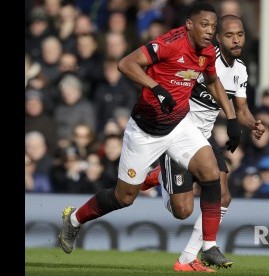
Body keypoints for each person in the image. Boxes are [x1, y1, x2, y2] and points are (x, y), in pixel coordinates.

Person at [58, 2, 242, 271]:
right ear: (189, 24)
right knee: (124, 197)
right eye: (205, 25)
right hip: (145, 131)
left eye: (213, 27)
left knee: (211, 173)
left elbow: (213, 82)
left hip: (179, 125)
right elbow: (126, 63)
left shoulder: (206, 53)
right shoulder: (170, 43)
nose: (209, 31)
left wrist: (233, 118)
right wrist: (156, 88)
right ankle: (74, 220)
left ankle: (209, 246)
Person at [141, 14, 265, 272]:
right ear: (218, 38)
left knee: (224, 195)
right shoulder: (205, 59)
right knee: (183, 211)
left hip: (204, 136)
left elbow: (241, 109)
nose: (236, 40)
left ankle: (190, 256)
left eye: (240, 34)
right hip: (178, 133)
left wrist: (253, 123)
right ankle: (161, 174)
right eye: (229, 35)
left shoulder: (240, 69)